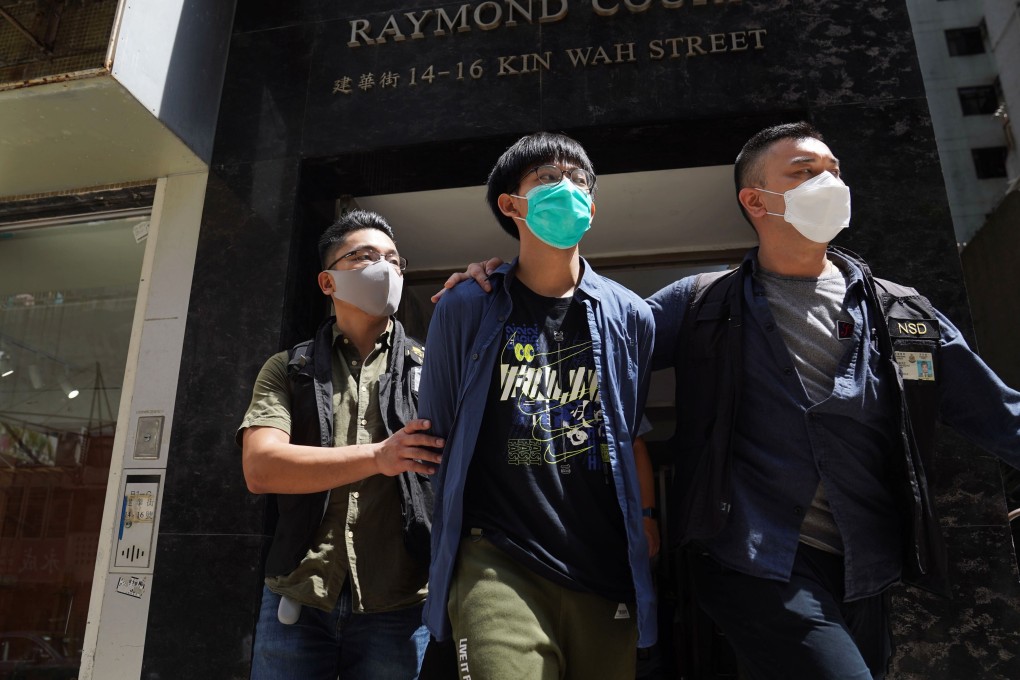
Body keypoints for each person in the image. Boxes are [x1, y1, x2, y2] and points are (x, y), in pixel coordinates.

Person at [438, 122, 1020, 680]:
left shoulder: (902, 314)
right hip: (753, 556)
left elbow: (998, 414)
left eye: (834, 170)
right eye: (805, 170)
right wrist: (497, 282)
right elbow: (587, 341)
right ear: (756, 200)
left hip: (866, 562)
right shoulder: (702, 305)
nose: (830, 183)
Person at [417, 131, 659, 680]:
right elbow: (438, 434)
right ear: (511, 204)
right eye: (547, 179)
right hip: (497, 556)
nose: (565, 189)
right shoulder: (465, 306)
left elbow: (627, 432)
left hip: (602, 563)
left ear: (592, 208)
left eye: (577, 181)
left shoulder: (631, 316)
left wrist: (645, 520)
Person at [238, 210, 444, 680]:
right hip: (299, 598)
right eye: (365, 256)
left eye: (394, 259)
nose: (385, 268)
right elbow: (261, 467)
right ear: (327, 282)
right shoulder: (290, 368)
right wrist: (378, 457)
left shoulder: (431, 368)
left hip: (400, 605)